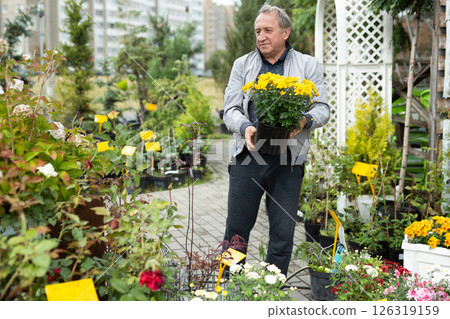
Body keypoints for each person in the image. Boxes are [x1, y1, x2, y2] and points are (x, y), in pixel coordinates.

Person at [222, 4, 330, 275]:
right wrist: (245, 126)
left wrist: (304, 120)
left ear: (285, 32)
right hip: (248, 158)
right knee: (235, 232)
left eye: (268, 30)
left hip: (288, 161)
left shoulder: (308, 65)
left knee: (282, 232)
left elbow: (323, 109)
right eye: (258, 31)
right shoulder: (242, 65)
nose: (261, 36)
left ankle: (272, 290)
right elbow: (230, 110)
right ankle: (228, 287)